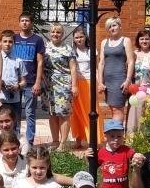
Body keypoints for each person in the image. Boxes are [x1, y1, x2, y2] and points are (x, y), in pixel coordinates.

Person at [13, 13, 46, 153]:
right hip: (15, 83)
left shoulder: (37, 40)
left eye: (27, 20)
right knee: (14, 113)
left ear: (31, 23)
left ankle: (29, 142)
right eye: (22, 20)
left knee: (30, 113)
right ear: (19, 23)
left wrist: (38, 82)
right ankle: (15, 139)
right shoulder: (13, 38)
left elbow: (40, 62)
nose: (25, 23)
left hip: (31, 82)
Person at [42, 22, 77, 150]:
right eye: (53, 32)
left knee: (63, 113)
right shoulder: (45, 47)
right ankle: (55, 140)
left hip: (64, 84)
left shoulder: (68, 48)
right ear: (49, 33)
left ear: (62, 34)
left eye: (58, 32)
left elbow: (73, 68)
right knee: (52, 113)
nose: (55, 34)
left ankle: (63, 142)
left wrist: (74, 86)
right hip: (48, 85)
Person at [98, 16, 135, 123]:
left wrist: (128, 80)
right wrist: (100, 82)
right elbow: (101, 63)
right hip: (107, 82)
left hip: (119, 80)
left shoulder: (125, 41)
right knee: (111, 108)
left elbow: (131, 61)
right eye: (109, 27)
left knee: (117, 109)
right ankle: (115, 136)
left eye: (114, 25)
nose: (112, 28)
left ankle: (116, 137)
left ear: (119, 26)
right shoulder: (104, 42)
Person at [0, 29, 26, 122]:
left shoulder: (18, 61)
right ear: (0, 42)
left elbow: (24, 81)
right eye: (5, 41)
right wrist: (0, 83)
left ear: (14, 43)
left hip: (14, 100)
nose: (7, 44)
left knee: (14, 125)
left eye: (10, 42)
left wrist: (18, 86)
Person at [69, 27, 92, 149]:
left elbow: (97, 67)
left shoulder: (91, 50)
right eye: (76, 37)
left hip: (88, 82)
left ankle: (91, 140)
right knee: (76, 112)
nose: (79, 39)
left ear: (85, 37)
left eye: (81, 37)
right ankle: (78, 139)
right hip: (76, 83)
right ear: (73, 39)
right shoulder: (72, 51)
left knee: (89, 111)